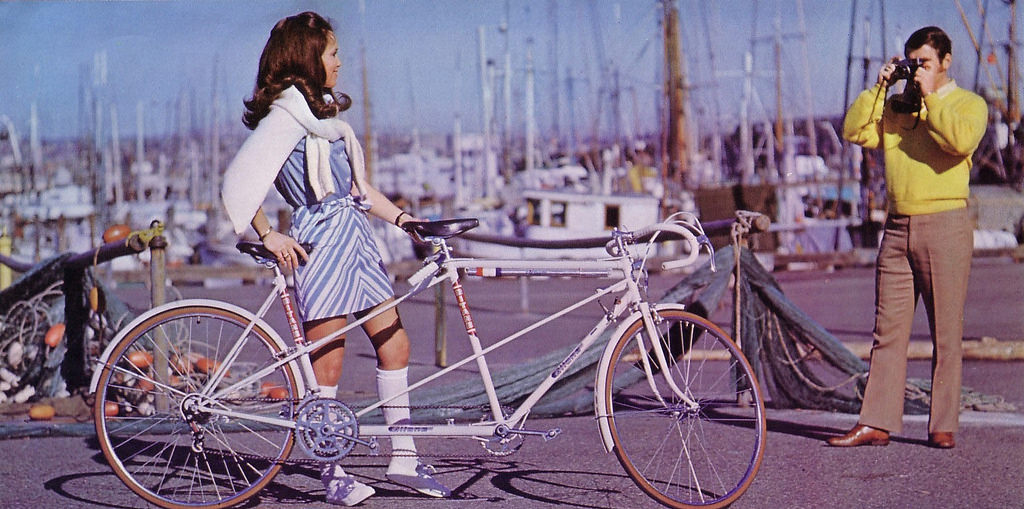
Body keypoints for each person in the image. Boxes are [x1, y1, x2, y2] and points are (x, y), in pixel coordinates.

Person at [220, 11, 450, 505]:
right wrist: (268, 234)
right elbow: (239, 185)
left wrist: (404, 220)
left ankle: (404, 457)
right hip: (319, 240)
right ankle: (332, 472)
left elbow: (357, 190)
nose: (340, 62)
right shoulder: (283, 120)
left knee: (396, 346)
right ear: (308, 57)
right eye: (332, 53)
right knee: (327, 365)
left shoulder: (318, 117)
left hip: (357, 236)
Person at [827, 26, 988, 449]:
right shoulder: (899, 108)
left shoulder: (969, 104)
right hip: (897, 228)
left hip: (946, 224)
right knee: (888, 331)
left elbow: (959, 140)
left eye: (926, 63)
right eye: (912, 63)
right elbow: (856, 131)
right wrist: (880, 87)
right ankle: (876, 422)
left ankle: (942, 425)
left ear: (945, 62)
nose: (918, 71)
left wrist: (931, 94)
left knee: (946, 333)